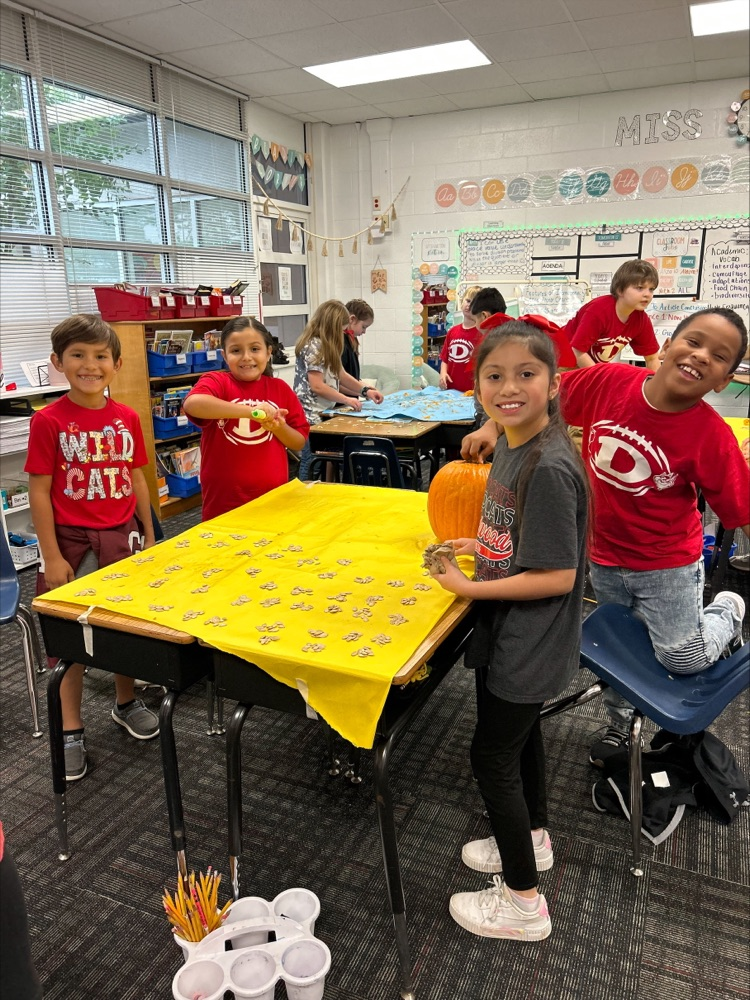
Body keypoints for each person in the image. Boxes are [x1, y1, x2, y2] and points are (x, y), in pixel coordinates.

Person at [429, 320, 589, 941]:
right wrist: (485, 541)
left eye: (527, 374)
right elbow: (527, 541)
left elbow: (554, 574)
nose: (509, 387)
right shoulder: (516, 443)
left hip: (529, 638)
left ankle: (525, 903)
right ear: (476, 385)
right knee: (522, 741)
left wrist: (471, 587)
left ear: (553, 384)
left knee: (492, 756)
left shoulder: (547, 465)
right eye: (494, 376)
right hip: (514, 632)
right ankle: (533, 839)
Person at [560, 305, 750, 765]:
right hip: (602, 554)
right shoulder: (608, 381)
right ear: (665, 347)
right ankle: (619, 727)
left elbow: (740, 511)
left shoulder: (711, 435)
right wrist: (491, 424)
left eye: (720, 356)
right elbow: (545, 397)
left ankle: (727, 610)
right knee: (622, 651)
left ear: (725, 380)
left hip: (667, 564)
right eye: (694, 340)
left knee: (680, 659)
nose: (702, 355)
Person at [26, 315, 158, 781]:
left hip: (123, 536)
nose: (89, 364)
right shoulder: (48, 421)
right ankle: (71, 728)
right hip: (71, 544)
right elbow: (39, 492)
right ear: (58, 362)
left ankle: (126, 701)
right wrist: (52, 556)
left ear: (116, 364)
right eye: (77, 355)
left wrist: (150, 528)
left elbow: (137, 475)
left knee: (125, 627)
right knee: (70, 640)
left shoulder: (125, 418)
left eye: (100, 356)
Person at [182, 317, 309, 521]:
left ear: (268, 352)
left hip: (273, 498)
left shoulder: (280, 389)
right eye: (236, 351)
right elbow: (193, 404)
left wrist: (277, 427)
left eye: (255, 349)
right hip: (224, 501)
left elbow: (298, 441)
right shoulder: (217, 381)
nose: (246, 357)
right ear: (224, 355)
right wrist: (250, 412)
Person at [293, 300, 384, 480]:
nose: (344, 333)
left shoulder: (328, 345)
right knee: (311, 462)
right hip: (309, 415)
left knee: (319, 459)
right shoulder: (313, 345)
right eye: (342, 329)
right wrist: (346, 399)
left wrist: (365, 390)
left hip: (323, 413)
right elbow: (317, 385)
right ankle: (303, 494)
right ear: (332, 326)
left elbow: (341, 374)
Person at [564, 259, 661, 370]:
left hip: (586, 366)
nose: (647, 294)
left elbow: (652, 359)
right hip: (560, 360)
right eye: (640, 288)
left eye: (651, 289)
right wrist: (602, 379)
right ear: (620, 290)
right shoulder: (598, 311)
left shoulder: (641, 319)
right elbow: (577, 351)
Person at [439, 285, 482, 392]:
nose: (469, 305)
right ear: (462, 301)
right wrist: (443, 374)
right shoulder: (452, 331)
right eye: (468, 301)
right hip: (450, 389)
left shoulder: (482, 333)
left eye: (474, 303)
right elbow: (445, 359)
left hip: (471, 392)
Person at [341, 298, 374, 391]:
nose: (364, 332)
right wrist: (362, 392)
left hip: (350, 400)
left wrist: (364, 387)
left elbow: (352, 375)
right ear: (352, 319)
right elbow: (337, 382)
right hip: (342, 401)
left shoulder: (352, 341)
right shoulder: (341, 343)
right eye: (363, 327)